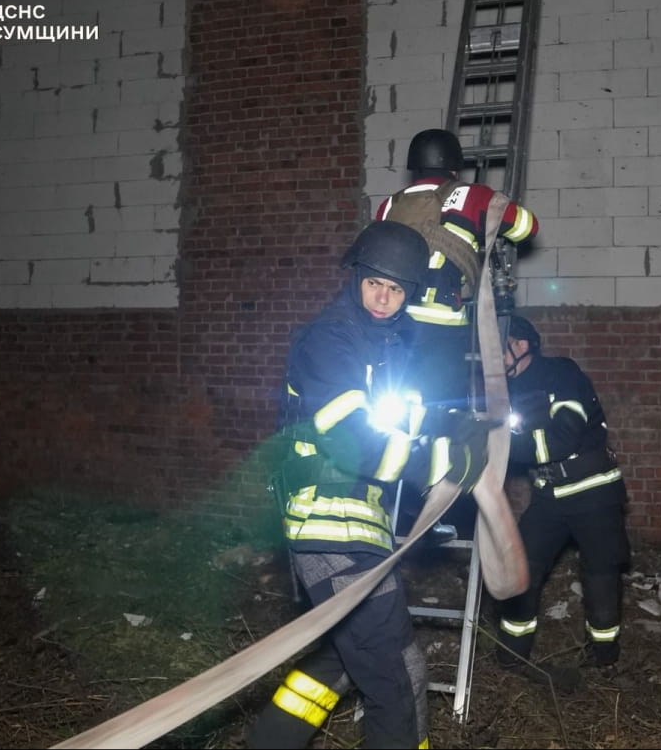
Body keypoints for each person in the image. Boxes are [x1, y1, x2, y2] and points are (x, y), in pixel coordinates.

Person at [248, 220, 493, 749]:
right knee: (397, 677)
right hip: (330, 527)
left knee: (341, 663)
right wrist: (439, 463)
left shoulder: (383, 348)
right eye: (374, 284)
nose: (383, 299)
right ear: (355, 278)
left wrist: (449, 428)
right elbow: (353, 440)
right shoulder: (329, 341)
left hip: (357, 527)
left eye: (396, 290)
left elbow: (397, 421)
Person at [373, 128, 539, 537]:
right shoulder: (473, 196)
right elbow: (527, 228)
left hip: (393, 329)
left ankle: (386, 504)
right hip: (443, 331)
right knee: (444, 421)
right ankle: (434, 511)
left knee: (399, 418)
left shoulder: (389, 204)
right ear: (453, 166)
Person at [494, 315, 630, 681]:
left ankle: (604, 659)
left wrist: (499, 445)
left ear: (521, 345)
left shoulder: (561, 374)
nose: (493, 356)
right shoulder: (505, 390)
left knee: (600, 573)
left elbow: (563, 437)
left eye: (499, 347)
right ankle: (511, 656)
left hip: (594, 492)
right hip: (549, 497)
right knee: (521, 570)